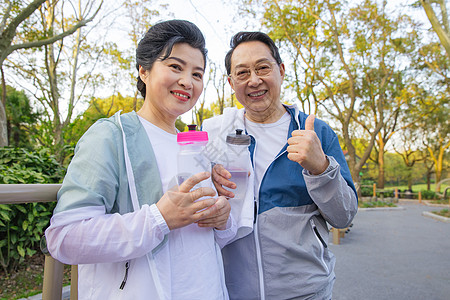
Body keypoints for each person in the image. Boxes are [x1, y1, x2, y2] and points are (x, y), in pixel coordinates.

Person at [45, 20, 236, 300]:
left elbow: (210, 237)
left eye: (198, 73)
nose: (187, 81)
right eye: (175, 67)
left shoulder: (196, 146)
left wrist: (222, 218)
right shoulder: (111, 137)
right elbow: (64, 237)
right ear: (144, 71)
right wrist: (159, 219)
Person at [202, 31, 358, 300]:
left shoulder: (316, 132)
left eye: (263, 67)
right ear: (230, 82)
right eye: (242, 73)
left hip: (306, 292)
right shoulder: (215, 135)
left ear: (281, 70)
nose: (254, 80)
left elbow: (344, 216)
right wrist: (209, 183)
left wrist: (321, 168)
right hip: (232, 292)